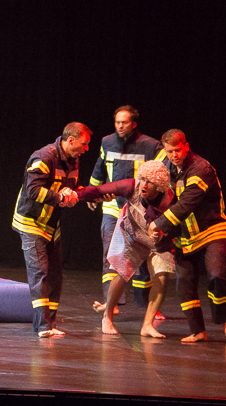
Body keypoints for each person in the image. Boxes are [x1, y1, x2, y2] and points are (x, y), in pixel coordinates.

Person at [77, 160, 174, 337]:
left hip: (158, 240)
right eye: (142, 179)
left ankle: (147, 324)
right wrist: (75, 194)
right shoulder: (132, 186)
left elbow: (177, 222)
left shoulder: (169, 198)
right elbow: (99, 190)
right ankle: (107, 316)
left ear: (160, 185)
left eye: (150, 182)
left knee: (161, 276)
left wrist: (162, 232)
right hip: (132, 234)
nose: (144, 184)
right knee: (122, 273)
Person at [12, 122, 91, 337]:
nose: (86, 149)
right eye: (84, 144)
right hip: (31, 222)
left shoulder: (73, 160)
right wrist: (61, 198)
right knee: (39, 272)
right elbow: (33, 190)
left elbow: (71, 188)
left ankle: (51, 324)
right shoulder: (44, 157)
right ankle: (43, 327)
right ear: (70, 140)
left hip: (51, 224)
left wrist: (88, 196)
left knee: (55, 276)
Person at [149, 129, 226, 343]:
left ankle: (224, 320)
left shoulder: (201, 169)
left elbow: (186, 204)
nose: (174, 155)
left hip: (211, 230)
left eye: (177, 150)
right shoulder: (166, 166)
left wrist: (159, 224)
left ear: (186, 146)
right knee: (184, 282)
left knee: (218, 275)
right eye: (169, 151)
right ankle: (197, 331)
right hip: (185, 235)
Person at [87, 106, 166, 312]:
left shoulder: (150, 145)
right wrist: (92, 193)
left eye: (124, 122)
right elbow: (99, 168)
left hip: (139, 208)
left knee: (143, 257)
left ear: (134, 124)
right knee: (110, 255)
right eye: (117, 122)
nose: (120, 126)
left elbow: (160, 175)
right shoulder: (107, 142)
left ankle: (146, 304)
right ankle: (111, 303)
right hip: (112, 207)